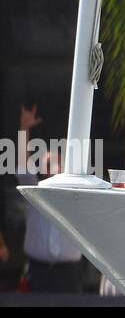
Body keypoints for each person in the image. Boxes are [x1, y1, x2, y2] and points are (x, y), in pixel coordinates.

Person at [15, 104, 84, 292]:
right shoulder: (33, 192)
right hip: (38, 272)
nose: (52, 167)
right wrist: (24, 128)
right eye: (47, 163)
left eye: (56, 162)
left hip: (68, 274)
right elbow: (22, 167)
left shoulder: (76, 196)